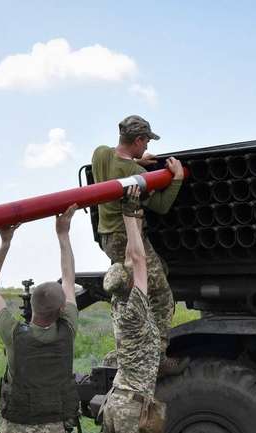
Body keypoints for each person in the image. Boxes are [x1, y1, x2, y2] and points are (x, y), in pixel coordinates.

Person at [91, 114, 186, 376]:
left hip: (107, 236)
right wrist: (176, 178)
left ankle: (123, 351)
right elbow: (161, 206)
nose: (147, 148)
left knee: (132, 290)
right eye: (145, 143)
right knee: (161, 296)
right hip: (128, 237)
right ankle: (156, 357)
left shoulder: (100, 154)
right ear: (139, 140)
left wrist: (134, 160)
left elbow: (115, 162)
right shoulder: (136, 174)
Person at [0, 204, 80, 433]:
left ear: (31, 305)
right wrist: (63, 234)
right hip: (56, 423)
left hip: (17, 424)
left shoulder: (14, 334)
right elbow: (68, 277)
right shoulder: (68, 329)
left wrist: (5, 243)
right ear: (62, 308)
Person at [102, 186, 163, 433]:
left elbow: (131, 258)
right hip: (130, 408)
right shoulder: (134, 313)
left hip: (119, 402)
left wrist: (134, 217)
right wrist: (129, 210)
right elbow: (138, 259)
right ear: (129, 282)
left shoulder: (119, 302)